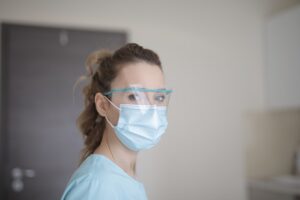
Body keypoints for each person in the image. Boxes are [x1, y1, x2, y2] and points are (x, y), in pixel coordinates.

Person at [60, 43, 173, 200]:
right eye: (134, 96)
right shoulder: (95, 185)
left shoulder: (123, 174)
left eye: (159, 97)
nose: (151, 110)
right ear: (103, 105)